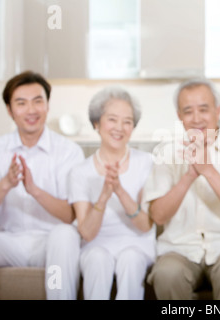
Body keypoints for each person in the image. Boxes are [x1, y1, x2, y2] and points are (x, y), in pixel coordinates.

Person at [142, 78, 220, 300]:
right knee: (166, 274)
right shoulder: (166, 154)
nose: (196, 118)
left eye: (203, 109)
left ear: (218, 110)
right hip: (179, 248)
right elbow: (158, 216)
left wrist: (208, 170)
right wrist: (189, 175)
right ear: (179, 116)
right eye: (188, 111)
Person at [0, 71, 85, 300]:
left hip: (50, 243)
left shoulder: (69, 152)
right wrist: (6, 184)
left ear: (47, 105)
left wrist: (35, 191)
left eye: (38, 101)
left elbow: (71, 216)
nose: (31, 110)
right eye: (21, 103)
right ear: (9, 110)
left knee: (66, 234)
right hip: (8, 243)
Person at [68, 86, 155, 300]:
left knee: (131, 259)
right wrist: (104, 196)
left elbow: (145, 225)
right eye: (112, 119)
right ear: (97, 123)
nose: (120, 127)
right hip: (96, 245)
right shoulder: (80, 172)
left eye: (127, 122)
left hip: (137, 242)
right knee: (97, 259)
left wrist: (119, 190)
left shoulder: (146, 163)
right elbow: (87, 232)